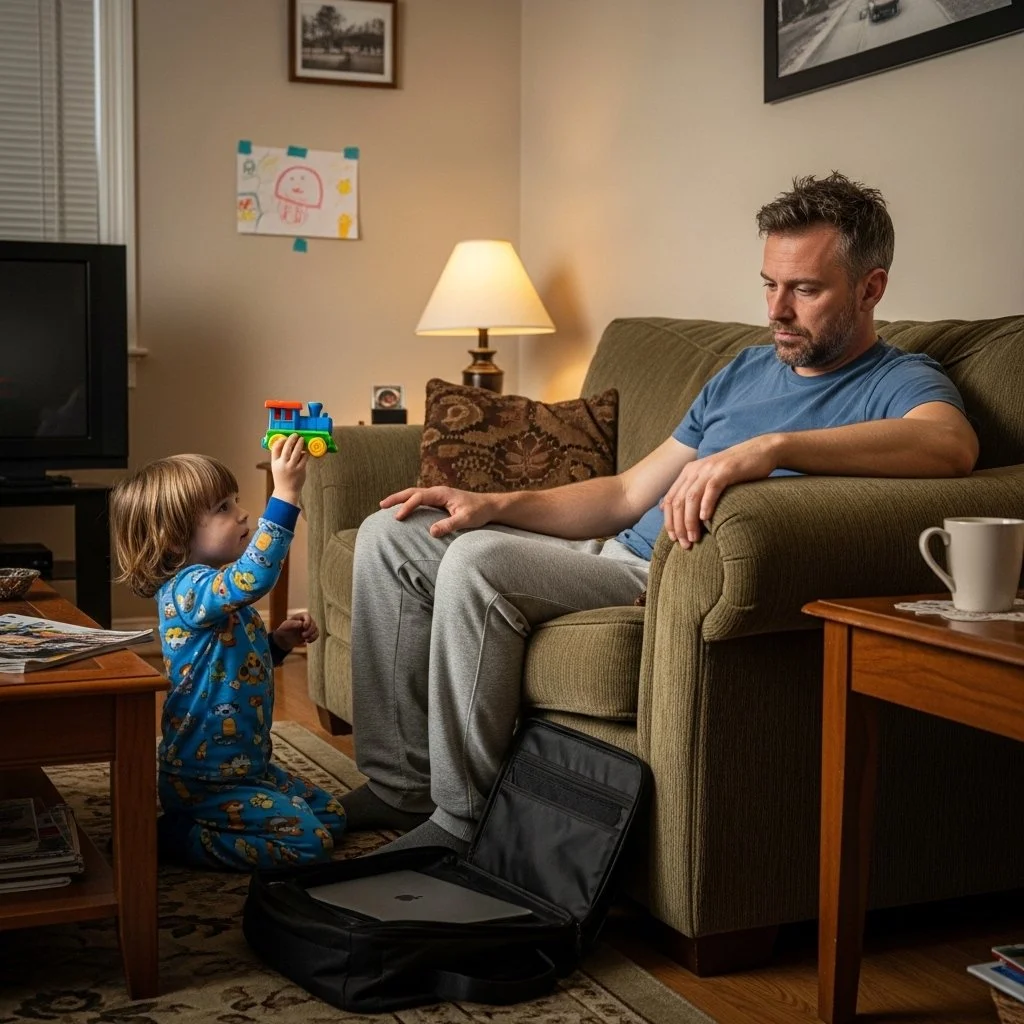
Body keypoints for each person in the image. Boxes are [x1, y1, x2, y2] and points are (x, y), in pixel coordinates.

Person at [340, 172, 979, 857]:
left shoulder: (898, 379)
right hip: (607, 550)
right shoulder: (742, 370)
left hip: (658, 578)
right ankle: (400, 783)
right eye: (769, 283)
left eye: (806, 289)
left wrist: (769, 449)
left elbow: (951, 444)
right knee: (391, 535)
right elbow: (623, 495)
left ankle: (459, 824)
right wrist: (492, 505)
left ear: (870, 288)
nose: (778, 310)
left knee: (476, 561)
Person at [110, 435, 346, 870]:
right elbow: (253, 577)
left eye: (234, 501)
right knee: (311, 845)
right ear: (174, 539)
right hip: (205, 778)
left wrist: (277, 644)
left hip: (248, 769)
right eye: (222, 508)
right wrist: (286, 495)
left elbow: (232, 665)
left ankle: (207, 824)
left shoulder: (213, 591)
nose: (241, 514)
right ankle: (177, 837)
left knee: (333, 816)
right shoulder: (187, 590)